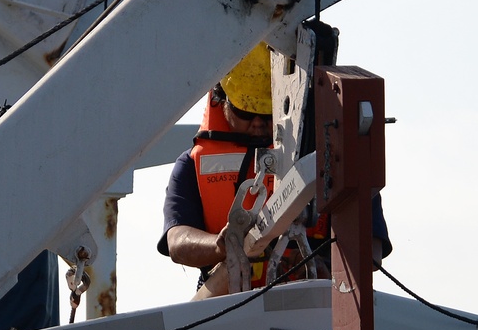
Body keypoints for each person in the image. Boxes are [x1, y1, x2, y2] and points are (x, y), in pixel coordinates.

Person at [159, 43, 391, 296]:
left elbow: (372, 249)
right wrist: (220, 245)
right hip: (225, 305)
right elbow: (177, 242)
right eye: (245, 112)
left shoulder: (332, 159)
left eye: (268, 113)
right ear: (220, 100)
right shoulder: (191, 164)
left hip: (315, 301)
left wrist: (324, 267)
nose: (258, 123)